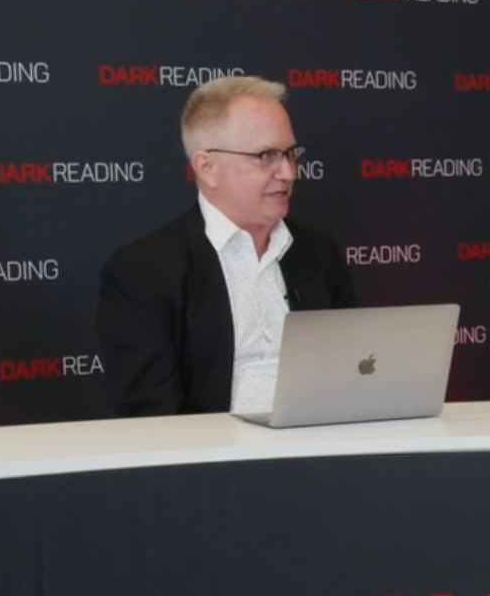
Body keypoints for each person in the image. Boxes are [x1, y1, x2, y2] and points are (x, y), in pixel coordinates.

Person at [97, 76, 357, 416]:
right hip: (216, 463)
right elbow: (149, 415)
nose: (288, 173)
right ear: (207, 168)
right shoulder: (142, 272)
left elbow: (354, 374)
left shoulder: (319, 253)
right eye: (266, 156)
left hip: (324, 450)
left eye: (291, 154)